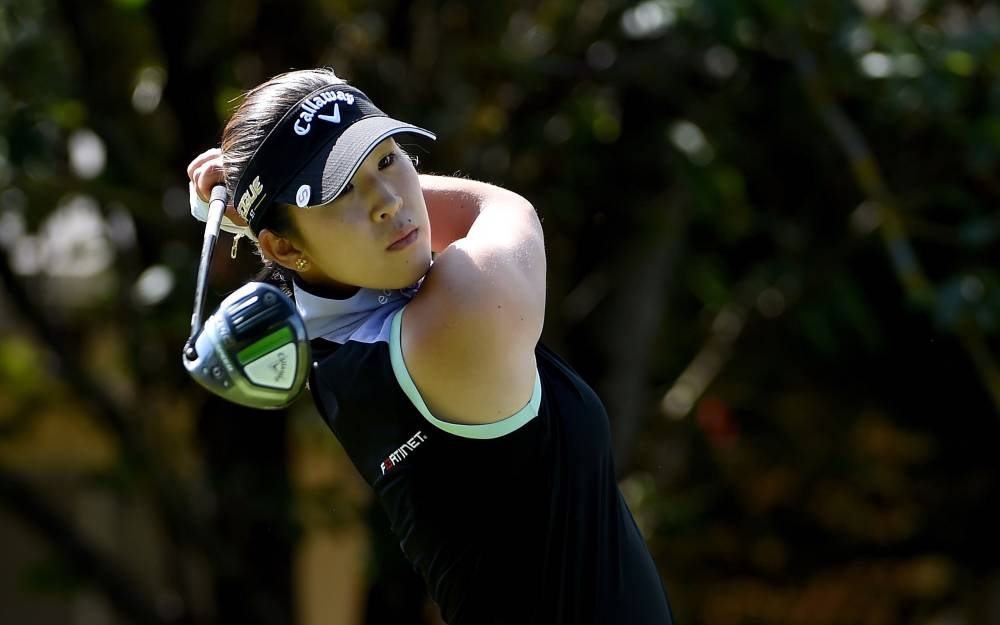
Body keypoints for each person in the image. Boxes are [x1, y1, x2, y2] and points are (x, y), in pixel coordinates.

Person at [187, 67, 674, 625]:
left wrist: (263, 208)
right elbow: (497, 209)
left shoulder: (327, 334)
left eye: (388, 159)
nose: (389, 202)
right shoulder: (459, 316)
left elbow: (339, 235)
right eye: (341, 191)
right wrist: (256, 209)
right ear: (285, 248)